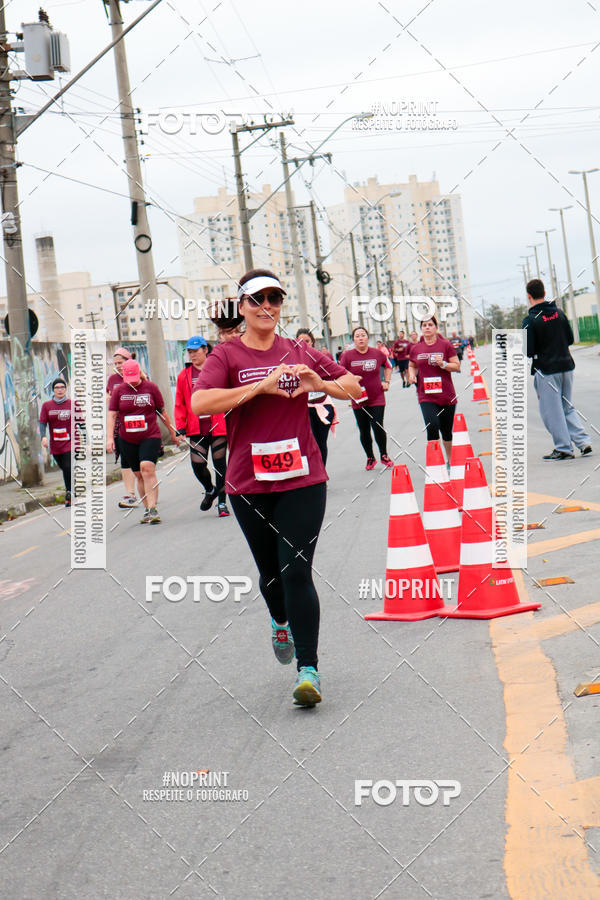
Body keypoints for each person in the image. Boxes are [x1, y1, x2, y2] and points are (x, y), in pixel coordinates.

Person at [191, 267, 361, 707]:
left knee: (296, 569)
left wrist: (320, 383)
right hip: (249, 482)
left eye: (275, 299)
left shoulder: (299, 350)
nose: (267, 307)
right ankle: (279, 620)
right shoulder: (226, 356)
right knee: (270, 574)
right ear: (243, 307)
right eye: (257, 300)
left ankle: (309, 670)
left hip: (302, 478)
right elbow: (201, 402)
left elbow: (354, 386)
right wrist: (259, 388)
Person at [522, 278, 591, 460]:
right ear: (544, 293)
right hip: (566, 366)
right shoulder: (559, 313)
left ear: (529, 296)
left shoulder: (530, 320)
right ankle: (583, 442)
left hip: (546, 370)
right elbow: (569, 339)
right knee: (567, 407)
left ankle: (564, 448)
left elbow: (528, 351)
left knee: (552, 411)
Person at [107, 360, 180, 524]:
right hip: (127, 439)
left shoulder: (151, 388)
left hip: (150, 435)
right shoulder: (119, 391)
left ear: (139, 373)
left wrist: (172, 432)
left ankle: (153, 508)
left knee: (147, 469)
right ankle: (147, 508)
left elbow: (162, 412)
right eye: (129, 378)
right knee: (139, 475)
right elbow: (112, 415)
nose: (132, 381)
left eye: (134, 377)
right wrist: (110, 438)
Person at [175, 336, 229, 517]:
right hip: (196, 427)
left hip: (218, 424)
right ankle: (210, 489)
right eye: (189, 352)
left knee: (220, 465)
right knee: (197, 465)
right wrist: (180, 427)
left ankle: (222, 503)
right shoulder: (184, 375)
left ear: (206, 350)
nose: (192, 355)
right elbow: (180, 402)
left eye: (195, 351)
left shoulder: (217, 369)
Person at [339, 327, 394, 470]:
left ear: (367, 338)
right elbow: (340, 373)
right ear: (354, 340)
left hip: (377, 397)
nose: (361, 338)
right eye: (357, 336)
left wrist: (386, 381)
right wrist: (349, 383)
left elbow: (388, 366)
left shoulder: (377, 353)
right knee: (364, 429)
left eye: (363, 335)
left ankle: (384, 455)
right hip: (358, 398)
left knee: (377, 425)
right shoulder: (347, 356)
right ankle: (370, 457)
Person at [408, 316, 460, 463]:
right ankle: (436, 461)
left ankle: (449, 459)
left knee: (446, 430)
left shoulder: (445, 345)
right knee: (432, 425)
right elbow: (412, 365)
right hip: (426, 395)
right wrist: (412, 375)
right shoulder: (416, 348)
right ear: (421, 329)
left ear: (436, 328)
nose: (427, 327)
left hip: (446, 394)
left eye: (430, 325)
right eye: (424, 325)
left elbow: (456, 365)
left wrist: (443, 364)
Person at [296, 328, 337, 465]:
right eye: (300, 341)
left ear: (312, 342)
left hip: (323, 405)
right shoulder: (292, 361)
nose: (304, 344)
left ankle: (321, 472)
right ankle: (313, 474)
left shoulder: (320, 359)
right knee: (309, 442)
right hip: (304, 408)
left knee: (321, 442)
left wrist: (321, 384)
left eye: (307, 341)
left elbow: (333, 377)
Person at [107, 347, 139, 509]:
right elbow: (107, 399)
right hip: (120, 425)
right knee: (125, 459)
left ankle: (147, 488)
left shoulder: (140, 375)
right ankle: (130, 494)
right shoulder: (112, 379)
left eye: (121, 362)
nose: (118, 366)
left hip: (140, 424)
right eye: (116, 363)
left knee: (142, 461)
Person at [40, 377, 73, 507]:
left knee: (68, 466)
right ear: (53, 390)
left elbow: (81, 423)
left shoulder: (72, 404)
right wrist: (43, 436)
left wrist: (86, 441)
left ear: (65, 389)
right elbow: (42, 423)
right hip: (55, 444)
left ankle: (69, 492)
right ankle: (70, 487)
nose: (59, 390)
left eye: (62, 387)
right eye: (57, 388)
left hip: (70, 442)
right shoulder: (47, 406)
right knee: (64, 468)